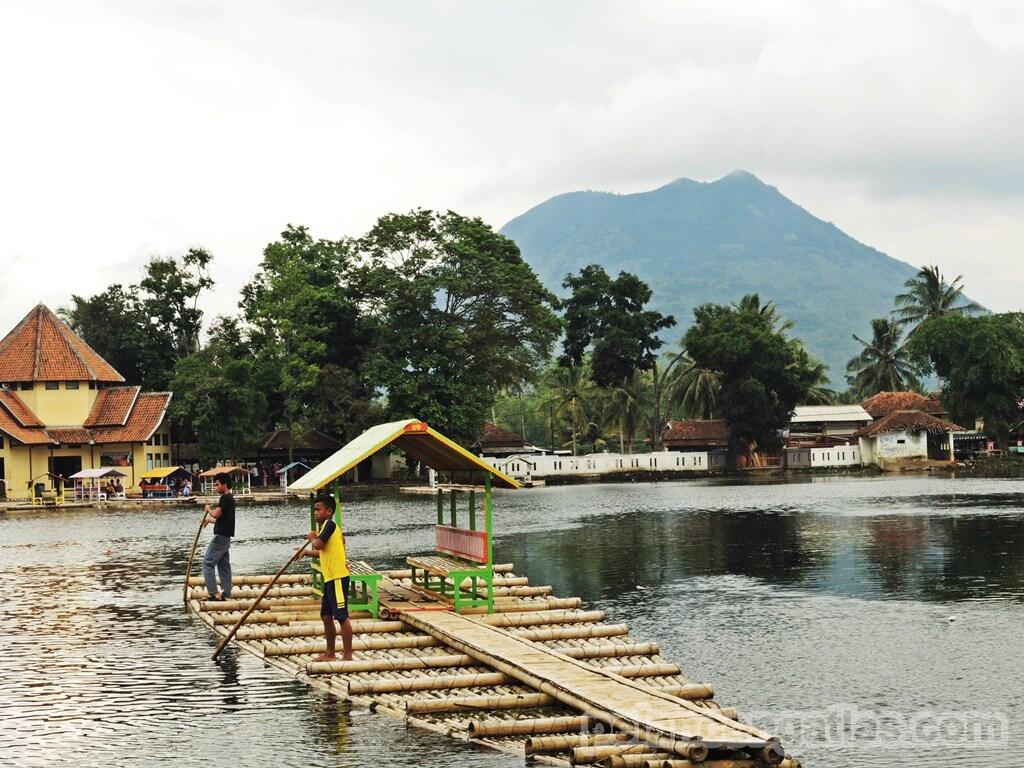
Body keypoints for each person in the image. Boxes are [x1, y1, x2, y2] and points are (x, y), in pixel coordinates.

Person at [303, 493, 352, 662]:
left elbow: (319, 543)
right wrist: (306, 552)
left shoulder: (330, 524)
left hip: (338, 577)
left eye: (318, 509)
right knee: (325, 615)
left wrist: (311, 538)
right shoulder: (325, 526)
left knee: (341, 616)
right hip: (329, 578)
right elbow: (322, 550)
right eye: (314, 510)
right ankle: (330, 653)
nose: (315, 513)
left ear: (329, 511)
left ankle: (347, 656)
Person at [202, 472, 236, 601]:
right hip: (225, 538)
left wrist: (208, 510)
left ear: (224, 485)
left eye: (217, 485)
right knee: (223, 565)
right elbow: (222, 520)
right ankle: (226, 593)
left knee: (207, 563)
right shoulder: (230, 498)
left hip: (220, 537)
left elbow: (216, 514)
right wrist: (209, 521)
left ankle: (213, 593)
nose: (216, 488)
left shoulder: (224, 498)